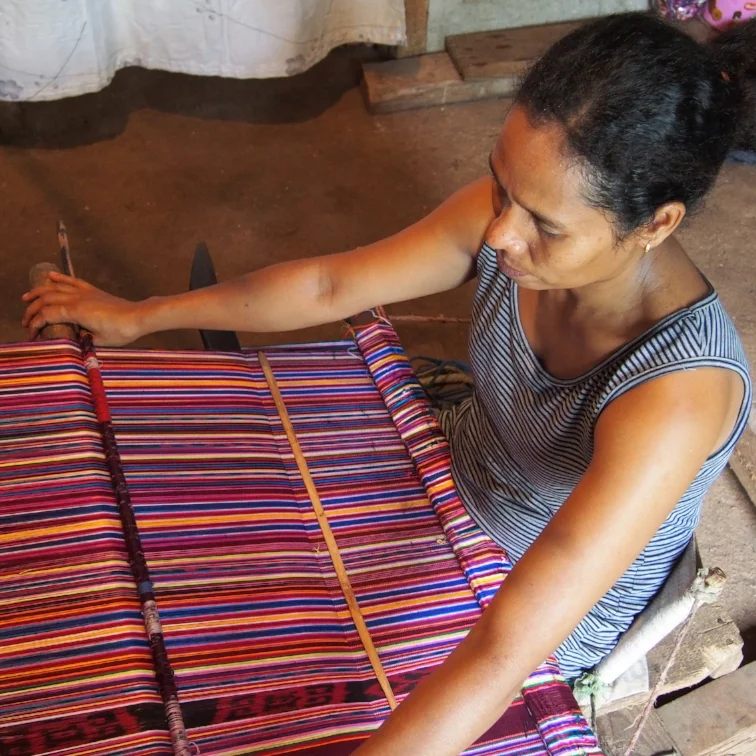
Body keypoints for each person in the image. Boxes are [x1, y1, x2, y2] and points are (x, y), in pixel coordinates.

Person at [22, 13, 754, 755]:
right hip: (445, 468)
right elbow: (329, 285)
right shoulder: (506, 225)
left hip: (528, 600)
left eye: (545, 224)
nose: (501, 234)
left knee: (273, 701)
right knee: (190, 553)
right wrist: (141, 316)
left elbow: (505, 647)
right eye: (502, 187)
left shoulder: (674, 395)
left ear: (656, 225)